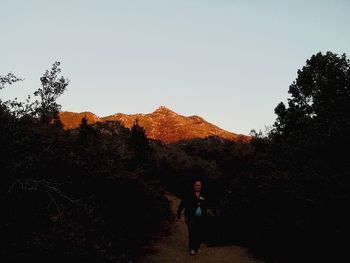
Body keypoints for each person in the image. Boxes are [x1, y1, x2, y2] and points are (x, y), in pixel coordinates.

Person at [177, 179, 211, 255]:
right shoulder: (188, 194)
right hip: (190, 216)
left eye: (199, 185)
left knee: (199, 231)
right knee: (192, 231)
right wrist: (179, 213)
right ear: (194, 186)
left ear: (201, 186)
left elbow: (206, 205)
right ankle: (191, 248)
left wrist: (208, 212)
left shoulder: (204, 194)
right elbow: (182, 204)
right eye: (196, 185)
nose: (198, 186)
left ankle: (197, 247)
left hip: (200, 217)